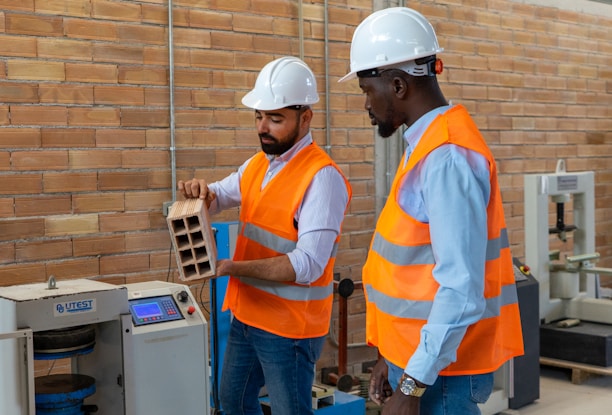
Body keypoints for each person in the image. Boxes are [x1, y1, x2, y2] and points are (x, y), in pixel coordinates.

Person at [338, 7, 524, 415]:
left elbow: (460, 291)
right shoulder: (426, 147)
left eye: (369, 92)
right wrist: (390, 355)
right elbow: (413, 273)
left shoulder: (447, 158)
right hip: (424, 362)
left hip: (441, 376)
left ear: (399, 85)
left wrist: (410, 387)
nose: (367, 105)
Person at [178, 56, 351, 415]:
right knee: (234, 402)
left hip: (289, 329)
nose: (263, 127)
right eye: (258, 116)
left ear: (306, 118)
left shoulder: (322, 178)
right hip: (248, 317)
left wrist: (231, 268)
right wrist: (202, 194)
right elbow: (220, 196)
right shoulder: (259, 164)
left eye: (275, 118)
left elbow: (307, 265)